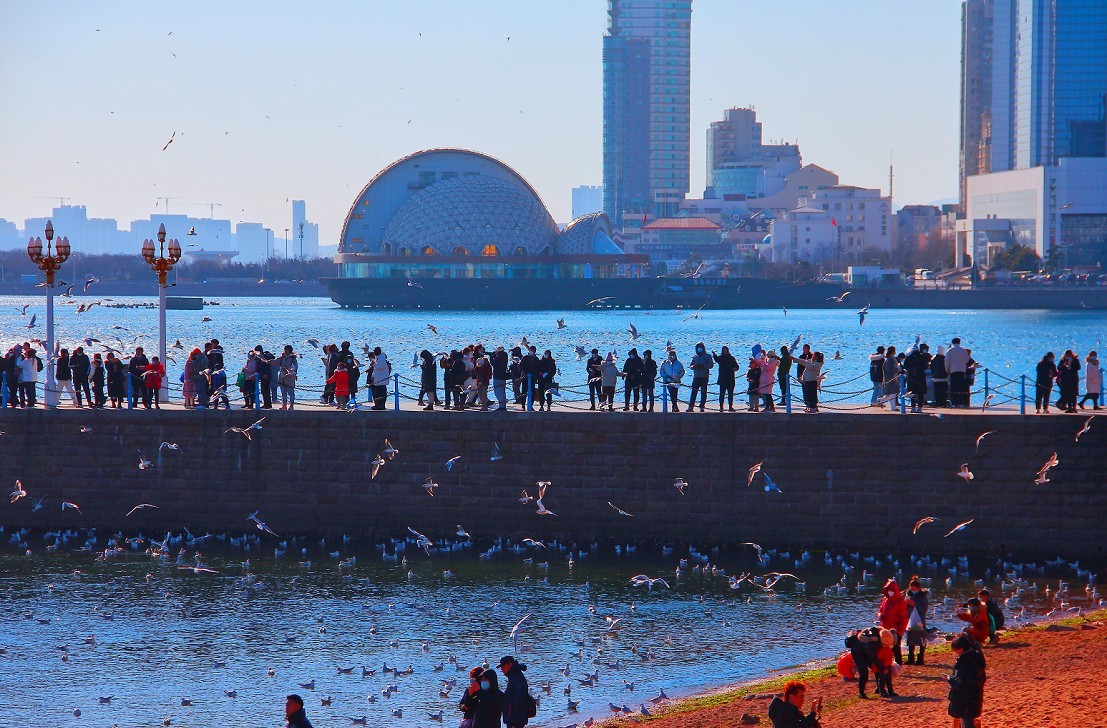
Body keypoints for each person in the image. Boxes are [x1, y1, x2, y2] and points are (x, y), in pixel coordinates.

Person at [947, 634, 986, 728]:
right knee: (968, 720)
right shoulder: (977, 657)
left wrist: (951, 679)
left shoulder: (966, 661)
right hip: (975, 695)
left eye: (956, 650)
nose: (956, 652)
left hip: (966, 698)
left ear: (961, 648)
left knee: (967, 721)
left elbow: (962, 683)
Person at [877, 579, 908, 665]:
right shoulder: (885, 599)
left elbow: (904, 618)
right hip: (884, 629)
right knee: (884, 648)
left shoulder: (901, 602)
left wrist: (900, 632)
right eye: (888, 590)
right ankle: (887, 664)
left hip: (896, 630)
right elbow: (880, 610)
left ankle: (898, 665)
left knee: (896, 648)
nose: (889, 592)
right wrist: (879, 615)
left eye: (891, 590)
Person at [497, 656, 533, 728]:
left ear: (509, 664)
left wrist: (512, 712)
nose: (501, 669)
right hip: (515, 716)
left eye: (503, 666)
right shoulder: (514, 675)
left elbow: (521, 695)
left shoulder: (516, 677)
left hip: (516, 718)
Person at [845, 626, 880, 699]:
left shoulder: (873, 637)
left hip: (864, 653)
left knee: (876, 669)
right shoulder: (873, 638)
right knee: (864, 673)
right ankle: (861, 693)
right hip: (858, 654)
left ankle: (879, 688)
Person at [905, 576, 930, 665]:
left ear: (919, 589)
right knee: (910, 638)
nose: (913, 590)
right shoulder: (908, 594)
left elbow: (924, 609)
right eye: (911, 589)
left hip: (920, 619)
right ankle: (911, 658)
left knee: (921, 638)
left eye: (914, 589)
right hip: (910, 619)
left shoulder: (923, 596)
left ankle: (920, 658)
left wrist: (915, 604)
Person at [904, 343, 932, 413]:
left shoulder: (909, 357)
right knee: (920, 393)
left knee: (912, 393)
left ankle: (913, 407)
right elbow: (926, 366)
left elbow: (905, 366)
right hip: (920, 377)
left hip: (911, 377)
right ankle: (920, 407)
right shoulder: (921, 357)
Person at [687, 342, 712, 412]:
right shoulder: (695, 357)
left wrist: (703, 366)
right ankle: (691, 407)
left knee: (703, 392)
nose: (699, 349)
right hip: (696, 377)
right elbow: (690, 366)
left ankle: (702, 406)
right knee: (694, 392)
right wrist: (693, 366)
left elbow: (711, 365)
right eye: (698, 348)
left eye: (700, 347)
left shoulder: (708, 356)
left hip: (704, 377)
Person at [713, 345, 738, 412]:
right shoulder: (720, 358)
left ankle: (730, 406)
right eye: (723, 350)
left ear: (727, 350)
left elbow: (737, 366)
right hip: (722, 379)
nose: (724, 351)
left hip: (730, 378)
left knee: (730, 394)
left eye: (725, 350)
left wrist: (735, 368)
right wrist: (714, 355)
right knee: (722, 394)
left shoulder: (731, 358)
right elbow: (717, 360)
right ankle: (721, 407)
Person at [946, 337, 970, 408]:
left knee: (953, 388)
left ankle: (954, 403)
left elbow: (947, 362)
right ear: (959, 342)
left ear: (953, 343)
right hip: (962, 371)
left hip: (953, 371)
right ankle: (961, 403)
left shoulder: (950, 351)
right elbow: (967, 360)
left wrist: (947, 370)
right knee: (961, 388)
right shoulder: (963, 351)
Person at [1057, 349, 1081, 413]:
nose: (1068, 356)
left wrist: (1071, 367)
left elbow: (1078, 367)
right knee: (1067, 394)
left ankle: (1074, 407)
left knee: (1073, 394)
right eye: (1067, 355)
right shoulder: (1063, 360)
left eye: (1069, 354)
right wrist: (1064, 365)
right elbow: (1059, 368)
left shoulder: (1075, 360)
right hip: (1065, 379)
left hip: (1073, 379)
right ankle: (1070, 407)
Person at [275, 345, 299, 410]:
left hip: (290, 378)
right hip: (282, 377)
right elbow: (276, 361)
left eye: (286, 349)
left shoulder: (293, 358)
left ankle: (291, 405)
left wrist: (290, 373)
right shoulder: (282, 357)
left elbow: (295, 367)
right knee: (283, 392)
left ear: (289, 350)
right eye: (284, 349)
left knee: (291, 392)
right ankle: (284, 405)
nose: (285, 351)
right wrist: (267, 361)